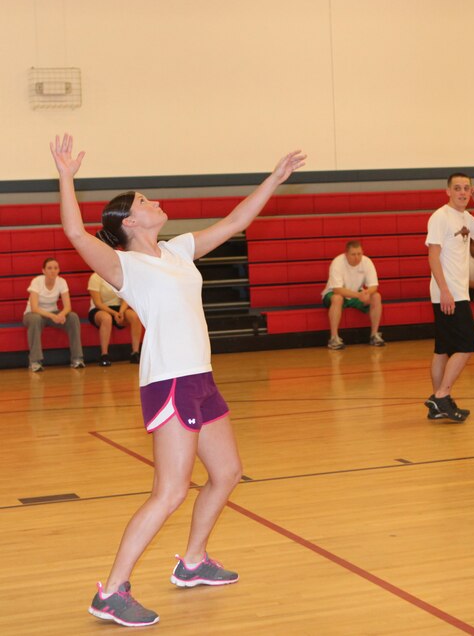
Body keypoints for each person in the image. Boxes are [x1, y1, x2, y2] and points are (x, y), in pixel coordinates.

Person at [50, 133, 306, 628]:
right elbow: (78, 236)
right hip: (169, 381)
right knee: (170, 491)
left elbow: (235, 222)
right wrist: (66, 178)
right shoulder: (127, 266)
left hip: (200, 378)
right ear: (128, 222)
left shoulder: (177, 251)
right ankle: (113, 591)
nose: (156, 201)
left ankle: (192, 562)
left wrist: (273, 179)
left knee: (228, 472)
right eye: (145, 201)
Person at [424, 173, 474, 423]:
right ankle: (442, 395)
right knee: (467, 345)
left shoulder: (465, 216)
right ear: (448, 192)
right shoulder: (440, 217)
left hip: (456, 292)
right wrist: (445, 290)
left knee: (443, 349)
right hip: (450, 293)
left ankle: (436, 403)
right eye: (457, 188)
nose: (463, 192)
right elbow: (433, 256)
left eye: (467, 188)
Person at [22, 256, 84, 372]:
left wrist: (61, 315)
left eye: (55, 268)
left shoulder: (62, 282)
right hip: (33, 314)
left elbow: (67, 307)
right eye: (49, 268)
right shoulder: (37, 281)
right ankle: (35, 361)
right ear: (43, 271)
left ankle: (77, 359)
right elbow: (35, 308)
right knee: (35, 319)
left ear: (58, 270)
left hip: (53, 313)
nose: (53, 271)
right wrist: (53, 316)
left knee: (73, 317)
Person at [321, 240, 385, 350]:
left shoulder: (367, 262)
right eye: (353, 254)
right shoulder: (338, 262)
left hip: (356, 293)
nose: (357, 257)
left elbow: (374, 286)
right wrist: (359, 295)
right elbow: (337, 289)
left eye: (359, 254)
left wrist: (367, 293)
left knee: (376, 296)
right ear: (346, 254)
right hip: (334, 293)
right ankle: (334, 338)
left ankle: (374, 335)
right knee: (337, 299)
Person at [88, 271, 143, 366]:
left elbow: (125, 298)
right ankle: (104, 355)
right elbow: (98, 303)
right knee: (106, 318)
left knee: (135, 316)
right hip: (100, 308)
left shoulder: (120, 276)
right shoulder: (95, 277)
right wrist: (114, 313)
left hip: (118, 308)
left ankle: (135, 353)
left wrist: (121, 312)